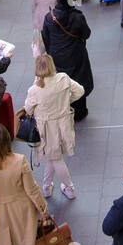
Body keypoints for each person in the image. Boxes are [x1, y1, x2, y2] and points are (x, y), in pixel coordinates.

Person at [22, 53, 85, 200]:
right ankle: (47, 186)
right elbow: (80, 90)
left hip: (46, 129)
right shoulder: (63, 79)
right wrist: (66, 101)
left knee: (55, 158)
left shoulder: (35, 90)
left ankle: (69, 188)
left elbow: (28, 109)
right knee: (53, 156)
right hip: (63, 124)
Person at [41, 0, 94, 122]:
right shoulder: (77, 17)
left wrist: (52, 52)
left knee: (61, 82)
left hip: (57, 56)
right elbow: (86, 34)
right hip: (76, 55)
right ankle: (80, 111)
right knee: (79, 80)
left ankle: (64, 108)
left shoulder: (49, 17)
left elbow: (46, 38)